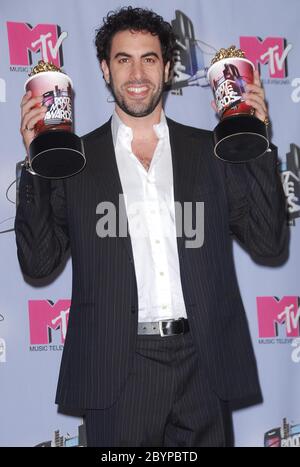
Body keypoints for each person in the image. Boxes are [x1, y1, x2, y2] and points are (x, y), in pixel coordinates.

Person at [16, 7, 288, 447]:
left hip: (204, 366)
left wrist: (255, 140)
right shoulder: (75, 162)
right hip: (116, 369)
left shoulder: (211, 152)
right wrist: (38, 162)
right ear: (105, 69)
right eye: (124, 59)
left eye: (149, 58)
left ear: (166, 67)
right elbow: (38, 263)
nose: (137, 73)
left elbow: (270, 242)